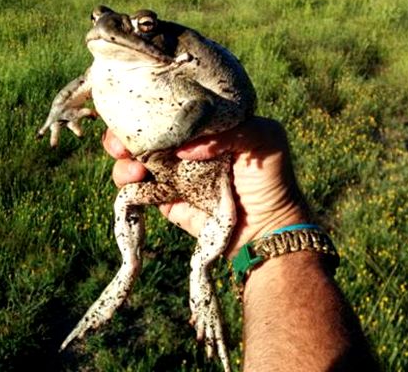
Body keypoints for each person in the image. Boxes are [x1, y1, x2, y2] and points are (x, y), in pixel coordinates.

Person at [102, 116, 380, 371]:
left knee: (132, 192)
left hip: (214, 184)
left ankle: (185, 273)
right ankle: (129, 267)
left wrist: (269, 224)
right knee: (126, 196)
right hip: (175, 179)